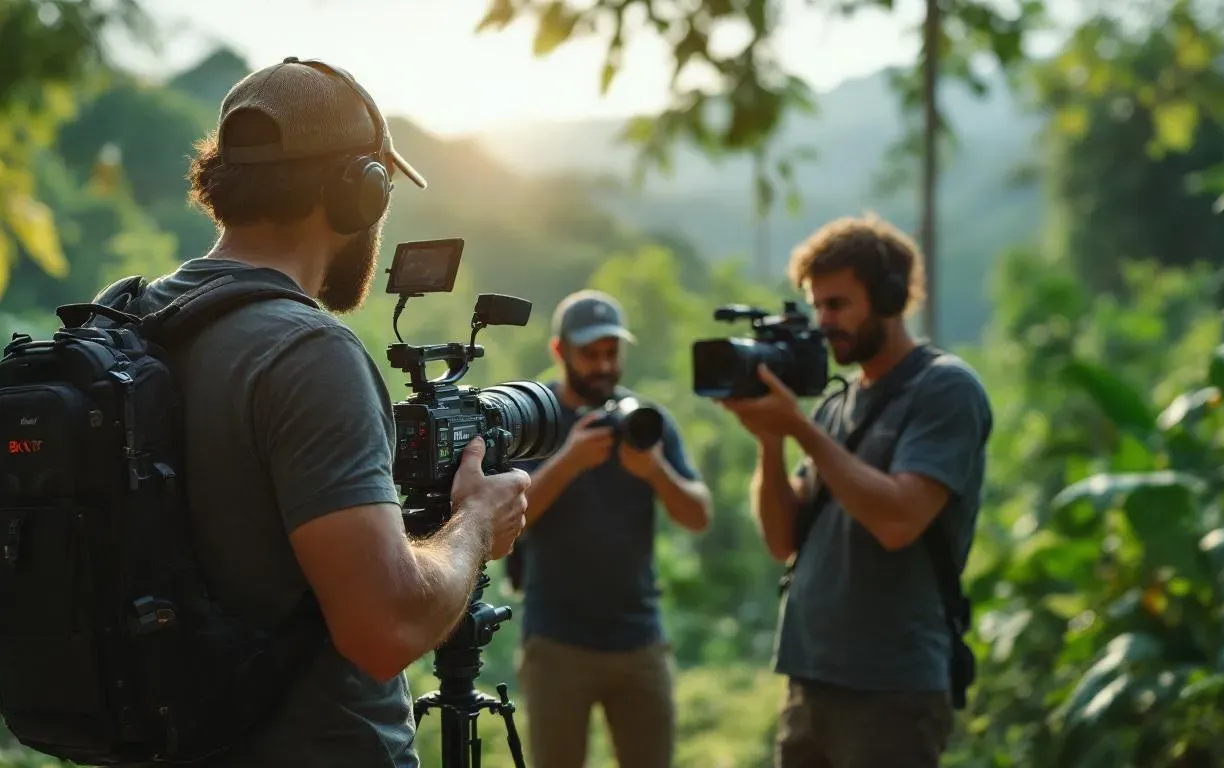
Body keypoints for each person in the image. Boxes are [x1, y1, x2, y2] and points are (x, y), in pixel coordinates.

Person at [95, 57, 530, 767]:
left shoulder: (133, 321)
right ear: (360, 192)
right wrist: (477, 521)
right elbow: (384, 628)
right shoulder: (308, 352)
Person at [718, 214, 993, 768]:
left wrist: (800, 429)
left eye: (837, 305)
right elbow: (781, 538)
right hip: (809, 678)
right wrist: (771, 442)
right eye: (817, 305)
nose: (823, 322)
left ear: (890, 298)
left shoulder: (944, 388)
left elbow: (900, 520)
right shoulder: (835, 405)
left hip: (890, 690)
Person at [509, 289, 714, 768]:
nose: (603, 365)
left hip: (640, 641)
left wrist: (655, 471)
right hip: (555, 643)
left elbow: (698, 516)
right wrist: (568, 462)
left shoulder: (647, 423)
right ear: (559, 351)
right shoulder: (534, 422)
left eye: (612, 353)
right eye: (590, 354)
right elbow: (506, 525)